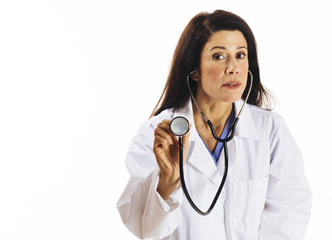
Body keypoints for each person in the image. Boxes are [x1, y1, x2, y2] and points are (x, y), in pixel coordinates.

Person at [117, 10, 312, 240]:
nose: (233, 68)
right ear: (195, 70)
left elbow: (288, 218)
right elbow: (146, 231)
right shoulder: (156, 134)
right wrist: (167, 183)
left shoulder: (269, 130)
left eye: (241, 55)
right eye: (219, 56)